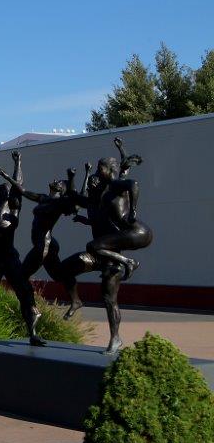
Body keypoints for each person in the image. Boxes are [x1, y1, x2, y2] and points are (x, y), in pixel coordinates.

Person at [59, 143, 153, 353]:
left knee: (110, 299)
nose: (95, 176)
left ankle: (115, 338)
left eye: (99, 170)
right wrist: (70, 179)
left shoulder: (115, 188)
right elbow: (76, 197)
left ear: (107, 171)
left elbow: (132, 181)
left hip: (132, 239)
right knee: (67, 268)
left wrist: (134, 212)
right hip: (104, 253)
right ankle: (76, 301)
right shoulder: (96, 203)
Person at [0, 151, 44, 347]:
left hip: (10, 258)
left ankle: (33, 333)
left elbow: (17, 186)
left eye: (2, 188)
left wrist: (18, 162)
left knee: (24, 294)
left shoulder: (13, 207)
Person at [0, 166, 80, 305]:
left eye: (58, 182)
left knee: (22, 276)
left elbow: (73, 197)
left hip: (44, 245)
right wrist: (8, 178)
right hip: (45, 244)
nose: (54, 180)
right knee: (58, 275)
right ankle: (75, 300)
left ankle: (30, 306)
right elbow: (23, 191)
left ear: (61, 189)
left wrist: (71, 178)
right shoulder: (44, 198)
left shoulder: (59, 203)